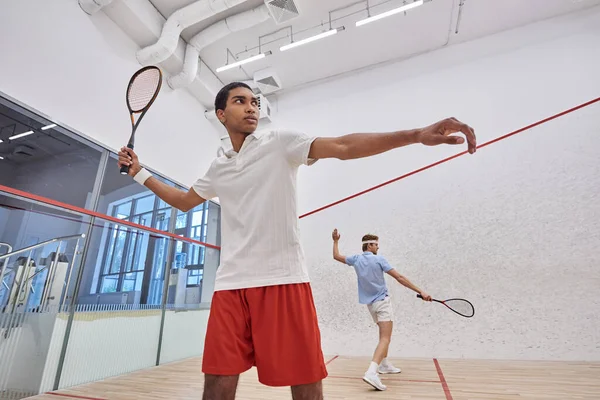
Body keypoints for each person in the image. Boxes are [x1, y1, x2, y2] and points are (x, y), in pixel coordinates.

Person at [117, 81, 476, 400]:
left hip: (283, 281)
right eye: (241, 101)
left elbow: (343, 145)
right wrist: (139, 172)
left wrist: (414, 135)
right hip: (229, 287)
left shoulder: (279, 142)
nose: (252, 107)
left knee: (306, 385)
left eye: (255, 102)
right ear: (221, 114)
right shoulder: (219, 167)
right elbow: (184, 201)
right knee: (217, 384)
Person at [331, 229, 433, 391]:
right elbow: (400, 278)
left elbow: (336, 256)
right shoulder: (379, 260)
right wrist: (420, 291)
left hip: (370, 306)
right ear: (369, 245)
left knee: (382, 335)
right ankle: (372, 372)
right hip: (383, 303)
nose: (378, 248)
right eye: (376, 245)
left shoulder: (356, 259)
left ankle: (384, 364)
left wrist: (335, 241)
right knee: (385, 338)